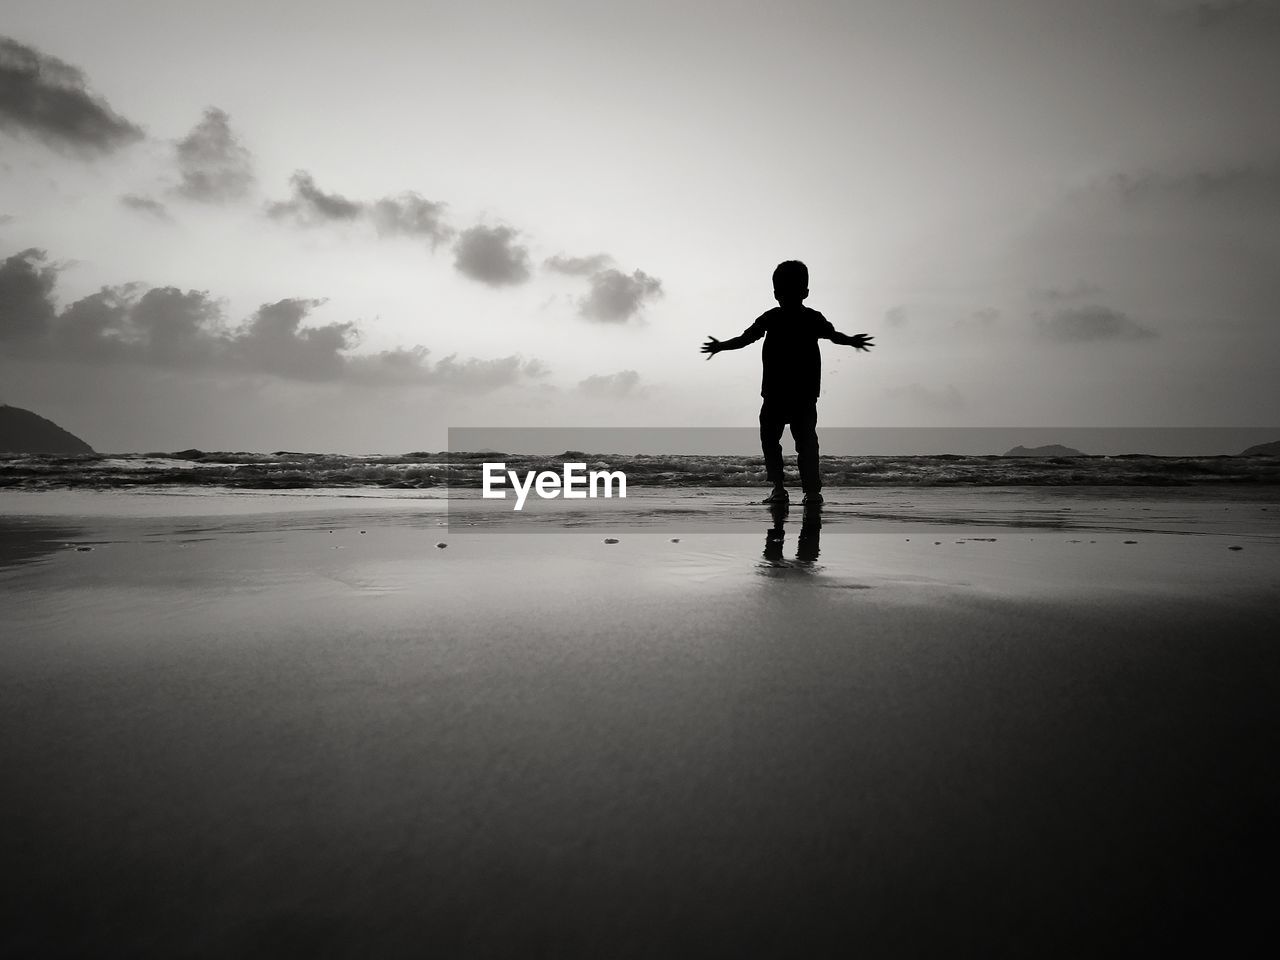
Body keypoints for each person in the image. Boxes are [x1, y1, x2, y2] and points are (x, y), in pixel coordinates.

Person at [701, 260, 874, 505]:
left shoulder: (772, 317)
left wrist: (720, 346)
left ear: (776, 294)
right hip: (802, 393)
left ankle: (780, 489)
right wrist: (852, 341)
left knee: (772, 440)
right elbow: (835, 337)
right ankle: (811, 492)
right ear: (805, 292)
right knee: (806, 443)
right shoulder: (811, 318)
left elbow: (744, 339)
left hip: (777, 392)